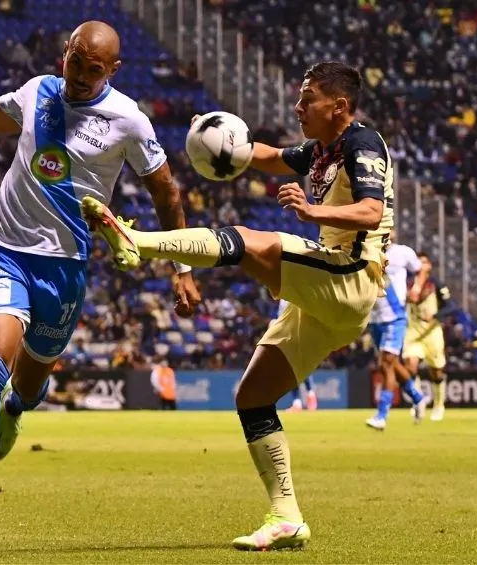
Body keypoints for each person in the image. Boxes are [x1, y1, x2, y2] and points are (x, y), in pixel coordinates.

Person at [85, 61, 392, 551]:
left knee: (249, 242)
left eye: (308, 97)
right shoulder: (321, 150)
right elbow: (270, 156)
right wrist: (220, 137)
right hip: (323, 298)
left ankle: (138, 241)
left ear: (339, 106)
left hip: (352, 275)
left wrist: (314, 211)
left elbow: (372, 211)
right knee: (251, 397)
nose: (298, 105)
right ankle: (286, 517)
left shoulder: (362, 143)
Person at [0, 20, 201, 536]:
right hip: (5, 251)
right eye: (75, 63)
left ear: (112, 70)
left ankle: (16, 409)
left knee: (29, 381)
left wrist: (181, 266)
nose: (81, 78)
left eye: (95, 71)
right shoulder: (38, 92)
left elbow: (167, 192)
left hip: (65, 270)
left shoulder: (128, 121)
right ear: (64, 53)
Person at [365, 230, 426, 430]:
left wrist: (416, 288)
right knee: (391, 364)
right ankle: (418, 397)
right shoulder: (366, 253)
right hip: (374, 318)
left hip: (395, 317)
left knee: (386, 363)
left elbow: (421, 269)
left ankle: (382, 416)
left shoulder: (403, 253)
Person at [402, 252, 453, 421]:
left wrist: (436, 316)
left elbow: (451, 307)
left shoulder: (436, 284)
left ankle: (439, 405)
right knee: (410, 365)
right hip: (413, 331)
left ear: (429, 266)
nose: (421, 265)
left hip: (432, 333)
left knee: (436, 371)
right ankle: (418, 402)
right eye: (418, 262)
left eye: (424, 262)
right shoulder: (407, 283)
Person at [276, 300, 317, 412]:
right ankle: (305, 397)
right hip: (296, 334)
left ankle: (304, 398)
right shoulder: (286, 297)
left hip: (294, 335)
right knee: (296, 367)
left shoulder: (291, 295)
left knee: (294, 367)